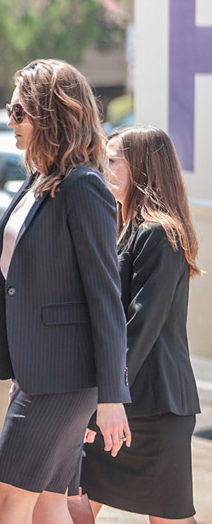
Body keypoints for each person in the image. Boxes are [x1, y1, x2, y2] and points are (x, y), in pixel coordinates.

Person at [0, 59, 131, 524]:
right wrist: (19, 370)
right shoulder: (39, 181)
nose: (11, 122)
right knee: (49, 505)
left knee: (4, 504)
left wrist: (111, 396)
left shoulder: (84, 187)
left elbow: (105, 296)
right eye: (10, 110)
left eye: (20, 112)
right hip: (40, 372)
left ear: (53, 116)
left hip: (63, 379)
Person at [80, 125, 201, 523]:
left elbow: (139, 324)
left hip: (154, 407)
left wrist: (106, 392)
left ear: (142, 167)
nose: (103, 167)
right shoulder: (123, 230)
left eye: (112, 160)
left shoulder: (158, 234)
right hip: (123, 401)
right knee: (72, 504)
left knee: (168, 517)